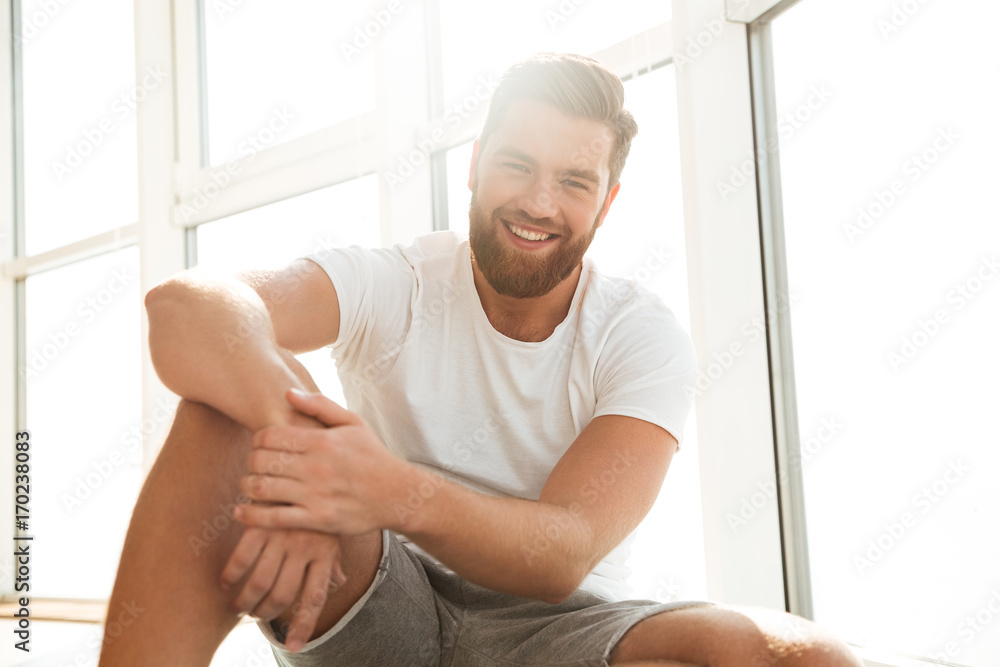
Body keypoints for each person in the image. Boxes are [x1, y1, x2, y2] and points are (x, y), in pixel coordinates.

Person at [100, 53, 862, 667]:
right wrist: (308, 465)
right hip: (379, 597)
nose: (539, 202)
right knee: (222, 419)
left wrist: (388, 490)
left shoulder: (639, 333)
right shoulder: (397, 281)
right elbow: (186, 308)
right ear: (473, 166)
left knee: (809, 657)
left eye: (574, 181)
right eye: (516, 165)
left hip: (560, 630)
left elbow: (563, 553)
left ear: (606, 202)